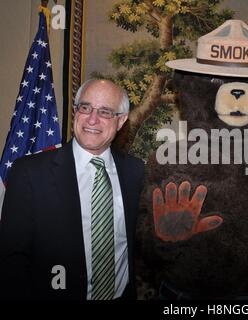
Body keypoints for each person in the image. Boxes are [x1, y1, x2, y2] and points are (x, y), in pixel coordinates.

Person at [0, 79, 144, 300]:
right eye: (85, 107)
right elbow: (11, 260)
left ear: (121, 120)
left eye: (105, 112)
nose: (92, 119)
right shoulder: (30, 173)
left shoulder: (136, 172)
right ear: (75, 112)